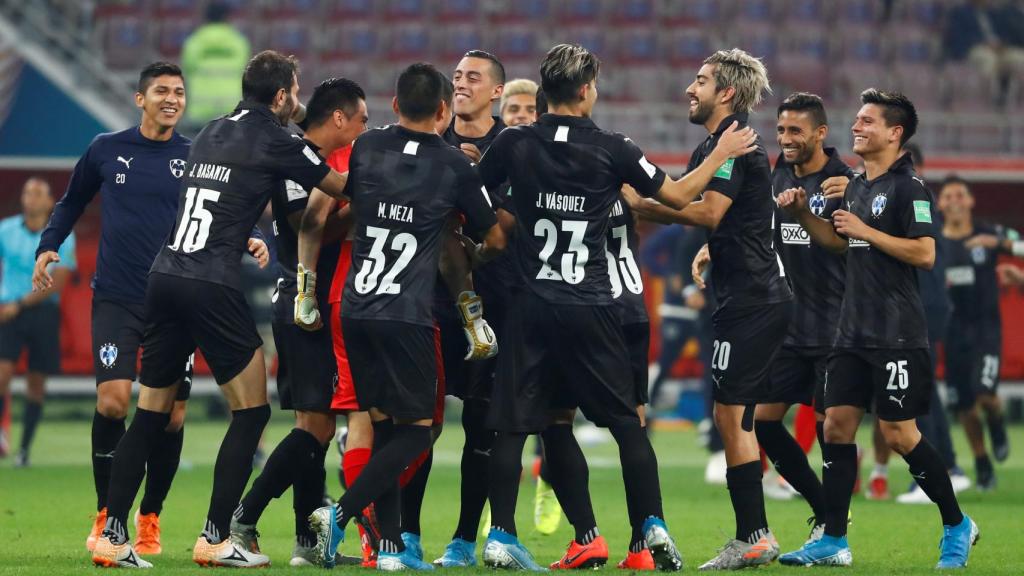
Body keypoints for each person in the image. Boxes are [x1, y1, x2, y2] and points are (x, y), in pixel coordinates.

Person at [476, 43, 755, 572]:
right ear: (585, 91)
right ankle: (650, 525)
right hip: (592, 305)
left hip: (532, 304)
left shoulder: (513, 141)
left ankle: (503, 536)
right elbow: (676, 198)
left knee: (514, 426)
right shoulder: (613, 147)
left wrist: (484, 238)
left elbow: (471, 197)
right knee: (627, 425)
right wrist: (720, 156)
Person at [87, 50, 348, 568]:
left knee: (149, 414)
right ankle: (215, 537)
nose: (297, 100)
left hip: (163, 275)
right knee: (251, 412)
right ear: (280, 96)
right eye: (293, 92)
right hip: (211, 280)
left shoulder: (209, 130)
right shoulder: (277, 138)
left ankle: (112, 536)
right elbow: (340, 187)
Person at [33, 62, 268, 557]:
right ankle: (105, 514)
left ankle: (149, 517)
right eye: (161, 91)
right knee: (114, 401)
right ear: (140, 98)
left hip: (173, 298)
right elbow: (72, 201)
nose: (171, 99)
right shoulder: (106, 148)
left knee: (173, 416)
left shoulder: (194, 153)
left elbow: (214, 208)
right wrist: (49, 244)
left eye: (179, 92)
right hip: (119, 296)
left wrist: (248, 236)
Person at [305, 62, 507, 571]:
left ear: (394, 106)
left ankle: (392, 549)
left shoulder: (369, 147)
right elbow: (496, 237)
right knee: (417, 432)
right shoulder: (456, 166)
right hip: (407, 314)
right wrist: (467, 244)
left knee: (385, 430)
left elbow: (348, 198)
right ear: (444, 110)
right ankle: (342, 513)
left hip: (356, 309)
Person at [776, 89, 977, 569]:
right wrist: (804, 214)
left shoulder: (911, 189)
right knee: (837, 426)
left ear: (895, 133)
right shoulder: (857, 185)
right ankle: (833, 538)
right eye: (858, 119)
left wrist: (867, 231)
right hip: (850, 332)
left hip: (897, 333)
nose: (857, 127)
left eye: (867, 121)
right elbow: (840, 244)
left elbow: (925, 254)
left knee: (900, 434)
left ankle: (956, 524)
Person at [631, 49, 793, 570]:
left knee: (733, 418)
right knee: (731, 418)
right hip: (744, 295)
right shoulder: (715, 142)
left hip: (753, 300)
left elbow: (704, 209)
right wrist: (710, 246)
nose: (689, 89)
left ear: (726, 92)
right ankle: (758, 533)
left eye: (699, 81)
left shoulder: (735, 144)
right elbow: (728, 218)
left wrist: (636, 202)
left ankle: (758, 536)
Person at [228, 77, 368, 567]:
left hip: (323, 304)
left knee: (319, 425)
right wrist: (361, 211)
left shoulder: (323, 160)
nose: (364, 129)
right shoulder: (295, 157)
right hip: (301, 304)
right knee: (314, 426)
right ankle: (241, 520)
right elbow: (306, 227)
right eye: (361, 120)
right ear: (339, 119)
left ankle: (308, 544)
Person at [750, 92, 852, 541]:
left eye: (795, 131)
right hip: (790, 327)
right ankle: (826, 510)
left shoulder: (844, 181)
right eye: (781, 130)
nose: (786, 139)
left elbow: (841, 243)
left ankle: (833, 533)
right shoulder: (779, 172)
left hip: (835, 324)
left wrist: (802, 214)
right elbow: (767, 229)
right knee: (765, 422)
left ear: (820, 133)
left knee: (832, 428)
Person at [433, 50, 514, 567]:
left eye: (473, 77)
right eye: (458, 75)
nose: (461, 83)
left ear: (496, 92)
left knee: (481, 429)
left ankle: (464, 538)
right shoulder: (430, 141)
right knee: (419, 423)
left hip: (499, 302)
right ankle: (404, 538)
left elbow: (512, 226)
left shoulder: (514, 147)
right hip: (432, 302)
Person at [936, 176, 1017, 489]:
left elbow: (1019, 245)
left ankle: (997, 425)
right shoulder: (936, 243)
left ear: (970, 201)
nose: (954, 201)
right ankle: (982, 463)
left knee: (985, 394)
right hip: (952, 333)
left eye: (960, 195)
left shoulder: (989, 232)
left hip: (986, 329)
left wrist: (996, 245)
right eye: (948, 196)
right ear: (940, 204)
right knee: (964, 406)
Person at [0, 177, 76, 467]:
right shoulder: (5, 231)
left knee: (36, 384)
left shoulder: (63, 235)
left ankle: (24, 451)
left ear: (48, 202)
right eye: (27, 192)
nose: (31, 198)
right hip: (7, 312)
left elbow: (58, 282)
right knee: (2, 376)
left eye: (38, 193)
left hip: (41, 313)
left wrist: (20, 304)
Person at [180, 1, 251, 131]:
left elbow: (187, 72)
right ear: (227, 18)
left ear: (205, 17)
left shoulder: (194, 42)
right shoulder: (239, 43)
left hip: (200, 113)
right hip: (232, 112)